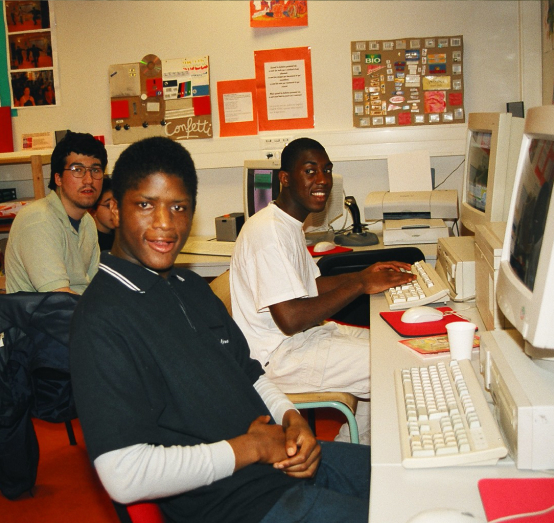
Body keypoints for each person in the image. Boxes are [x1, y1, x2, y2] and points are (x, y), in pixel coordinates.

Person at [70, 136, 371, 523]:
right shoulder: (101, 319)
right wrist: (251, 449)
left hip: (281, 462)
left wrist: (291, 418)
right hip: (240, 504)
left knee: (413, 475)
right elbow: (123, 475)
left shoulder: (188, 286)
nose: (165, 224)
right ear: (113, 208)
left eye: (178, 207)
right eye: (145, 205)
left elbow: (249, 374)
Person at [230, 137, 416, 444]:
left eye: (326, 170)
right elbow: (289, 319)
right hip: (276, 358)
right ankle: (356, 453)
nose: (322, 180)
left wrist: (367, 274)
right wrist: (359, 284)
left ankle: (354, 448)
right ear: (285, 178)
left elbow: (311, 287)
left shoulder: (286, 223)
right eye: (310, 171)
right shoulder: (268, 233)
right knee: (394, 363)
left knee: (394, 343)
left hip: (299, 341)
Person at [5, 131, 107, 294]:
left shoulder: (87, 221)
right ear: (58, 178)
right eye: (77, 169)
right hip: (43, 317)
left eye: (95, 170)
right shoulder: (38, 219)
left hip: (76, 313)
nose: (88, 179)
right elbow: (58, 298)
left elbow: (95, 288)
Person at [90, 176, 115, 251]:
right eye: (109, 205)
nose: (115, 210)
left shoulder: (121, 237)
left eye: (118, 204)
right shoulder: (90, 242)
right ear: (93, 211)